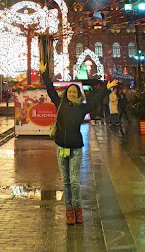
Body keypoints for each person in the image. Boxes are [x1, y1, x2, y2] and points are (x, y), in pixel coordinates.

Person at [39, 61, 118, 225]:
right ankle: (69, 212)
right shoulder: (60, 104)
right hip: (61, 147)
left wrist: (106, 88)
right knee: (66, 183)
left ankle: (78, 211)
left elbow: (95, 101)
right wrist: (44, 74)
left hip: (75, 148)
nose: (72, 93)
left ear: (79, 94)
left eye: (75, 92)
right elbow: (50, 90)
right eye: (70, 91)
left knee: (74, 182)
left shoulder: (82, 108)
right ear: (67, 93)